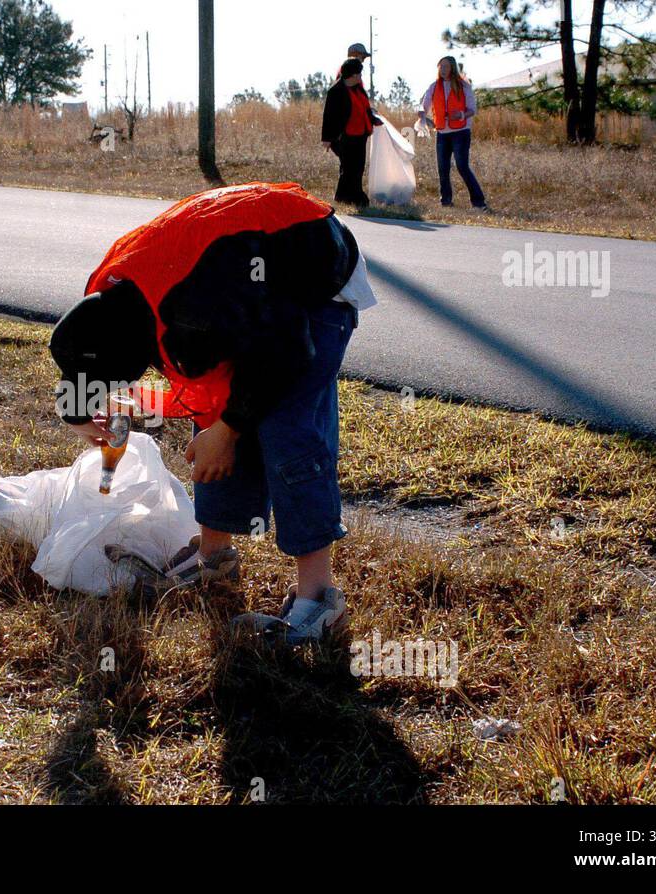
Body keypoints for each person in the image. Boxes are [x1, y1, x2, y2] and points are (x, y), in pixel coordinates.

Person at [49, 183, 377, 646]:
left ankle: (319, 598)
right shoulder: (117, 296)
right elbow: (81, 349)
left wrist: (229, 429)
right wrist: (79, 411)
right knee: (217, 414)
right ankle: (214, 557)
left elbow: (286, 348)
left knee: (287, 429)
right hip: (246, 290)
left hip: (313, 277)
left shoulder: (194, 306)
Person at [420, 56, 489, 210]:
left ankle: (479, 202)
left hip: (461, 132)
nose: (442, 69)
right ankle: (446, 202)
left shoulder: (463, 85)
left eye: (446, 66)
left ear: (452, 68)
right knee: (442, 168)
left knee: (462, 166)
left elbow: (472, 109)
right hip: (442, 133)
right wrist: (422, 116)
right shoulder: (433, 86)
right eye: (440, 66)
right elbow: (423, 106)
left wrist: (461, 115)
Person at [322, 59, 383, 207]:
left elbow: (365, 109)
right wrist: (327, 139)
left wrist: (373, 119)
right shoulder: (336, 91)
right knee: (349, 168)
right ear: (353, 75)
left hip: (360, 135)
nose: (361, 77)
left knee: (358, 167)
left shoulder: (358, 89)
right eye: (359, 74)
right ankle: (353, 198)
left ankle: (348, 198)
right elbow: (328, 116)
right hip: (344, 137)